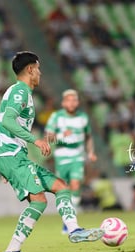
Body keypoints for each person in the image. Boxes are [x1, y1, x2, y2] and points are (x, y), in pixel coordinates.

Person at [0, 51, 104, 252]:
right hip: (12, 155)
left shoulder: (20, 91)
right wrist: (36, 141)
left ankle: (74, 230)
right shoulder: (20, 91)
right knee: (39, 200)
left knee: (61, 186)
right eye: (38, 68)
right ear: (30, 69)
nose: (40, 73)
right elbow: (7, 121)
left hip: (12, 156)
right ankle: (12, 251)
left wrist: (3, 163)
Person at [45, 89, 97, 233]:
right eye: (69, 100)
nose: (72, 102)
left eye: (74, 100)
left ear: (78, 102)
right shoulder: (56, 116)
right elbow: (48, 137)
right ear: (63, 102)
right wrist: (62, 135)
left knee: (75, 184)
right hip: (61, 157)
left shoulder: (83, 117)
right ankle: (67, 220)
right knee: (63, 189)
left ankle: (71, 221)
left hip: (77, 156)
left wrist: (91, 152)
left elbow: (88, 136)